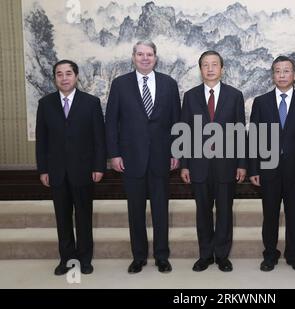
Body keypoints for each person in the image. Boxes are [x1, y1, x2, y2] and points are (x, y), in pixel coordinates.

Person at [105, 41, 181, 274]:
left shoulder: (169, 84)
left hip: (161, 159)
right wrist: (114, 154)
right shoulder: (120, 84)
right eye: (140, 54)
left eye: (149, 54)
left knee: (160, 211)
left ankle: (161, 256)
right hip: (130, 159)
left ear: (156, 58)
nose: (145, 58)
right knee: (135, 211)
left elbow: (176, 122)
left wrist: (176, 152)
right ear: (133, 57)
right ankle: (138, 257)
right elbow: (111, 122)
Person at [35, 60, 106, 276]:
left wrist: (98, 166)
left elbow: (99, 139)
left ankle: (85, 259)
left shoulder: (91, 103)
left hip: (84, 170)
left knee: (83, 217)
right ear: (55, 78)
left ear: (76, 77)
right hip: (56, 172)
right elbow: (42, 140)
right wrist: (43, 170)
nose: (64, 78)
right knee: (62, 218)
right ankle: (66, 258)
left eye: (68, 73)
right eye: (59, 74)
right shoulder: (45, 104)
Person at [249, 56, 295, 273]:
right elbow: (254, 138)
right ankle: (270, 255)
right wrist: (253, 169)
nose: (282, 75)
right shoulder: (261, 102)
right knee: (269, 214)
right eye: (277, 71)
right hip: (268, 170)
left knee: (293, 215)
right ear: (273, 75)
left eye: (286, 71)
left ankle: (294, 256)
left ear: (294, 75)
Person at [180, 50, 246, 272]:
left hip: (226, 165)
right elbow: (185, 133)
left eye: (214, 64)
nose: (210, 68)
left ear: (222, 69)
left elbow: (240, 133)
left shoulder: (235, 96)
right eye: (205, 65)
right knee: (203, 213)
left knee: (225, 212)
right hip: (198, 166)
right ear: (200, 70)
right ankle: (205, 255)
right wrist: (185, 165)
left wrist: (241, 163)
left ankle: (222, 255)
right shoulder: (190, 97)